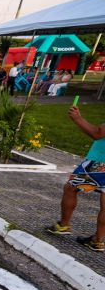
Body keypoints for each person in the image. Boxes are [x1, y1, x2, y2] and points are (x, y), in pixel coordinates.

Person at [46, 106, 105, 251]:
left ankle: (63, 225)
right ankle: (97, 240)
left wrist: (77, 118)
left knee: (70, 187)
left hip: (99, 162)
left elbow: (98, 133)